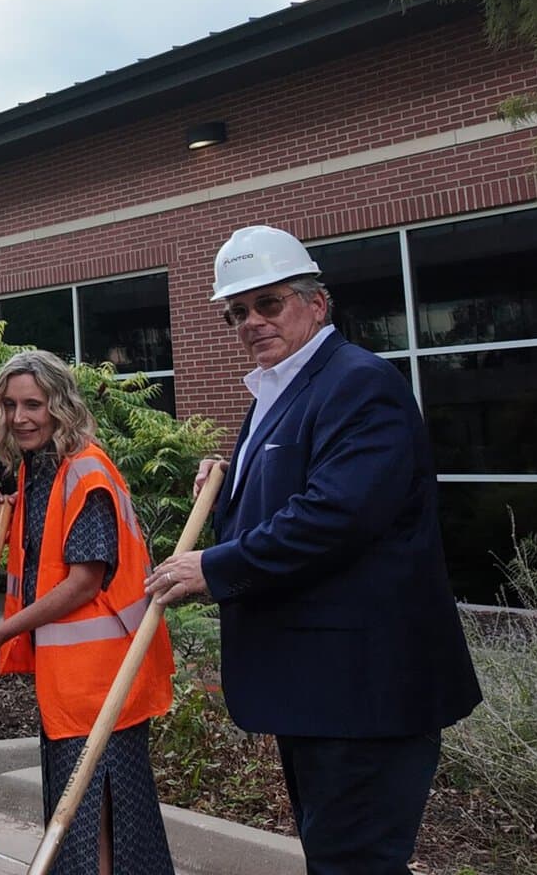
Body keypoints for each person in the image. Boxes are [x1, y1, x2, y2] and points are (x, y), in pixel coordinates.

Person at [144, 226, 483, 875]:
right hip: (318, 689)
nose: (251, 321)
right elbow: (304, 494)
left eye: (267, 303)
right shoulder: (282, 389)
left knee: (352, 862)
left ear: (316, 303)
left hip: (364, 690)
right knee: (342, 859)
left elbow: (335, 517)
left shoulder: (358, 384)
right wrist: (230, 487)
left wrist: (213, 567)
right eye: (236, 312)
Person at [0, 351, 175, 875]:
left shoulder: (85, 471)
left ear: (61, 406)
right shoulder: (41, 473)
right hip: (73, 685)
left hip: (103, 684)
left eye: (34, 404)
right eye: (10, 405)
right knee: (81, 821)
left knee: (94, 824)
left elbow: (83, 581)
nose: (20, 417)